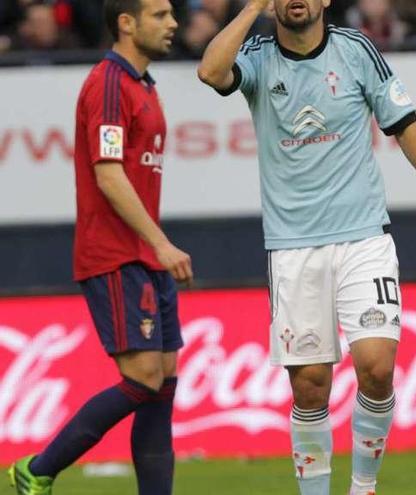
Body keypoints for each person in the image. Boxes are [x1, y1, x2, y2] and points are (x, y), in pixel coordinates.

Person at [197, 1, 416, 494]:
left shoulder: (355, 50)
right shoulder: (256, 57)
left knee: (378, 368)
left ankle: (363, 487)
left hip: (363, 237)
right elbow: (211, 70)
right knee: (310, 385)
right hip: (294, 247)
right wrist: (252, 7)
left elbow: (403, 121)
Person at [8, 1, 191, 494]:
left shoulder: (144, 85)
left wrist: (156, 246)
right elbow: (107, 174)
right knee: (144, 376)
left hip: (145, 253)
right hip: (114, 254)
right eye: (160, 14)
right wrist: (161, 242)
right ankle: (38, 469)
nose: (173, 23)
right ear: (127, 23)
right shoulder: (109, 82)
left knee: (163, 382)